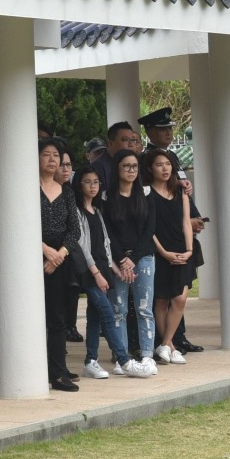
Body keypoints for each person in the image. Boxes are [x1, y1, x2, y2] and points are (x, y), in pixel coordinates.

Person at [76, 167, 153, 379]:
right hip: (88, 272)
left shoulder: (98, 212)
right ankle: (125, 360)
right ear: (79, 185)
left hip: (103, 269)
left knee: (94, 316)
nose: (93, 186)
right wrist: (96, 273)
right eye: (87, 182)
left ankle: (91, 361)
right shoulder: (78, 212)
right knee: (108, 314)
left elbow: (106, 243)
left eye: (96, 182)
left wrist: (113, 268)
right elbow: (82, 246)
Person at [139, 107, 205, 354]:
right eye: (162, 129)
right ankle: (166, 341)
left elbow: (181, 191)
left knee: (179, 292)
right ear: (149, 132)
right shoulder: (146, 159)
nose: (168, 133)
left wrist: (193, 218)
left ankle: (177, 337)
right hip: (159, 234)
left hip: (178, 230)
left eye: (170, 128)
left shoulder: (174, 158)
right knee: (162, 294)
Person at [101, 149, 159, 375]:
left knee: (144, 308)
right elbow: (107, 231)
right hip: (117, 259)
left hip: (142, 257)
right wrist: (122, 259)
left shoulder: (146, 193)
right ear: (117, 169)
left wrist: (132, 259)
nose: (131, 170)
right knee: (118, 309)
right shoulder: (106, 196)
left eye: (134, 166)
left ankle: (147, 355)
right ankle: (121, 357)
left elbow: (149, 229)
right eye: (126, 166)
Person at [38, 138, 81, 391]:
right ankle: (37, 367)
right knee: (35, 317)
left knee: (58, 319)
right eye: (46, 154)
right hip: (34, 259)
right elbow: (24, 226)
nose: (53, 160)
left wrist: (59, 255)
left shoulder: (67, 191)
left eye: (56, 155)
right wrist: (45, 251)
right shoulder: (29, 189)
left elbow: (74, 231)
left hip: (60, 262)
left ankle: (58, 371)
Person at [144, 149, 193, 365]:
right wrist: (163, 252)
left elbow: (186, 222)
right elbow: (148, 228)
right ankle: (170, 347)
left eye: (167, 164)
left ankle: (165, 343)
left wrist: (189, 250)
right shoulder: (146, 193)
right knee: (162, 300)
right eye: (159, 164)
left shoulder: (180, 191)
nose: (165, 168)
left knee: (180, 299)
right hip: (159, 251)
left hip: (181, 250)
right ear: (150, 169)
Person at [55, 148, 82, 343]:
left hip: (66, 253)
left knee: (71, 292)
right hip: (46, 255)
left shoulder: (69, 192)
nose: (66, 169)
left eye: (68, 164)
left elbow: (75, 229)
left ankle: (70, 327)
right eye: (61, 164)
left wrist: (62, 252)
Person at [92, 122, 140, 192]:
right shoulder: (98, 168)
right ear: (110, 144)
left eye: (132, 140)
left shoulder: (135, 163)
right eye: (125, 140)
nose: (130, 144)